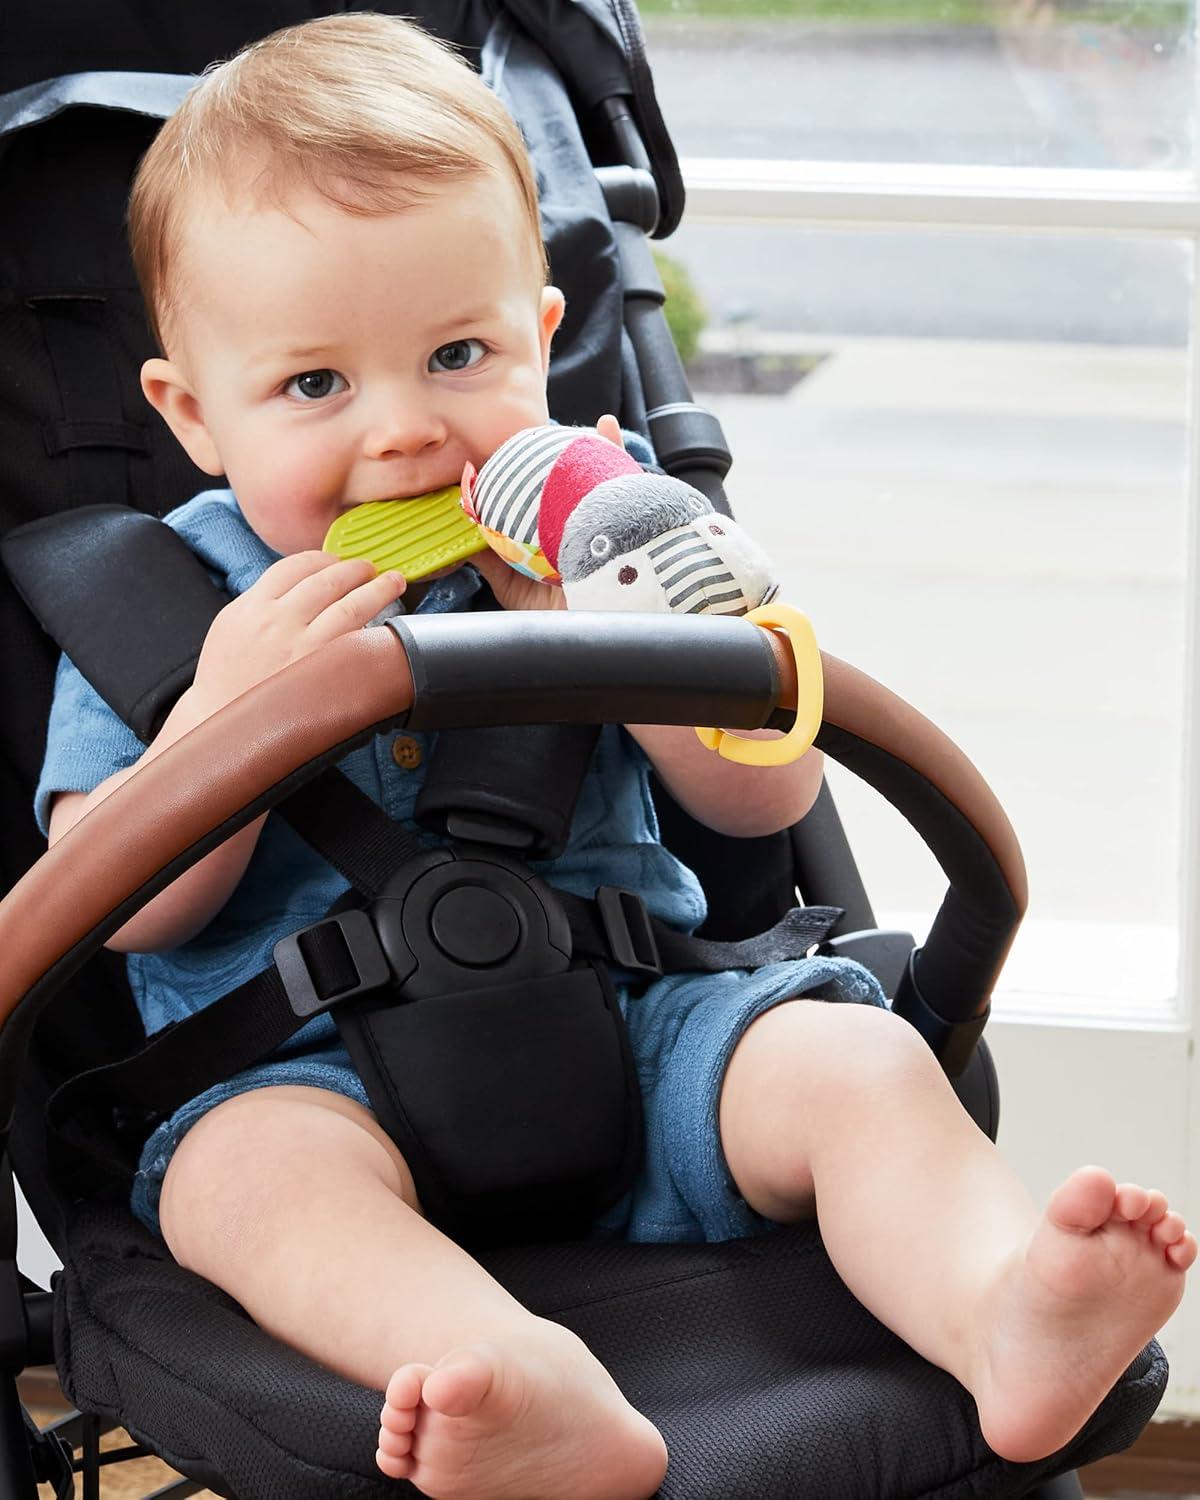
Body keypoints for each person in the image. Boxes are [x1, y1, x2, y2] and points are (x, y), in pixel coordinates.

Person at [36, 14, 1194, 1500]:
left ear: (542, 331)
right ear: (194, 413)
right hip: (301, 1078)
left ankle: (1003, 1311)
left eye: (459, 355)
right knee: (243, 1187)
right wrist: (221, 719)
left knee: (854, 1061)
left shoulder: (612, 531)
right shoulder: (165, 608)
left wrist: (627, 616)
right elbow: (118, 912)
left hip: (642, 1034)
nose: (405, 434)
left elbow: (766, 797)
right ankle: (516, 1379)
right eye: (315, 387)